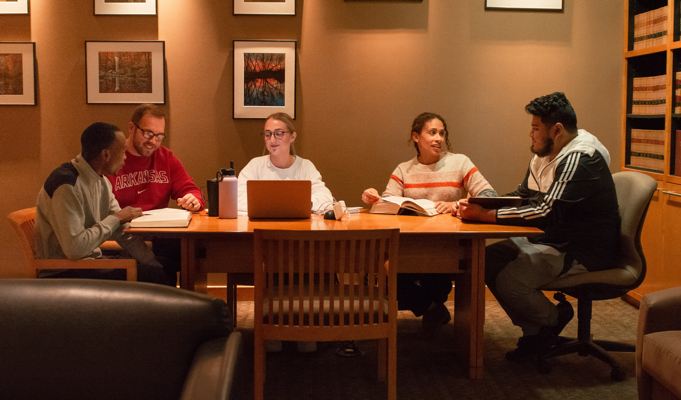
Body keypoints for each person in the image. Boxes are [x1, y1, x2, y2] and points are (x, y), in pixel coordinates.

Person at [458, 92, 620, 360]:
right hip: (552, 239)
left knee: (512, 280)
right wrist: (481, 204)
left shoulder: (581, 158)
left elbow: (546, 211)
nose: (530, 134)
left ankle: (552, 319)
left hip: (581, 249)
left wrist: (484, 217)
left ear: (556, 130)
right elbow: (524, 196)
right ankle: (536, 331)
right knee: (485, 261)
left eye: (535, 128)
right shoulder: (545, 154)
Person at [361, 112, 497, 335]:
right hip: (409, 244)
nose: (438, 138)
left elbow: (490, 195)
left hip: (449, 244)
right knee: (388, 271)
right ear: (416, 137)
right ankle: (431, 308)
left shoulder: (460, 162)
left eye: (442, 133)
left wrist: (457, 204)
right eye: (432, 132)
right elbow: (388, 203)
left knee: (436, 279)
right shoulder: (403, 170)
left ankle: (433, 307)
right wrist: (373, 198)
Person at [35, 122, 175, 285]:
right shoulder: (66, 186)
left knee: (165, 266)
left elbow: (121, 230)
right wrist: (116, 218)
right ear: (106, 155)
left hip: (90, 263)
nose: (125, 157)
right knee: (151, 276)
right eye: (122, 151)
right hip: (64, 272)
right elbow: (75, 249)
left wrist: (151, 261)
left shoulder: (100, 181)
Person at [107, 104, 205, 279]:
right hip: (123, 236)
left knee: (196, 249)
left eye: (159, 136)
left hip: (159, 235)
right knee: (161, 267)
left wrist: (193, 199)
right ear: (131, 128)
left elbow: (190, 189)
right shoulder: (113, 159)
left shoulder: (165, 158)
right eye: (148, 134)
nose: (153, 141)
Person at [237, 112, 334, 215]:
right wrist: (279, 206)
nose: (272, 140)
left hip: (298, 228)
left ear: (292, 137)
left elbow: (325, 197)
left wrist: (304, 205)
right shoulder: (254, 166)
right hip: (263, 227)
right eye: (268, 134)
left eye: (279, 133)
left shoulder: (305, 166)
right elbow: (238, 198)